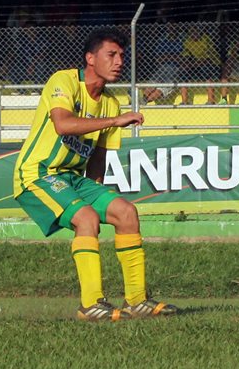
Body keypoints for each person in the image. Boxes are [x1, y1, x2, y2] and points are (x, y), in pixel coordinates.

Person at [12, 28, 177, 321]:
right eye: (111, 55)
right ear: (90, 58)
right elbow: (62, 125)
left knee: (126, 213)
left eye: (122, 56)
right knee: (86, 218)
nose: (119, 61)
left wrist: (97, 192)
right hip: (37, 173)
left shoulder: (111, 102)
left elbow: (98, 156)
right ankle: (90, 305)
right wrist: (115, 120)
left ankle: (137, 301)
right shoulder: (64, 81)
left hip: (74, 178)